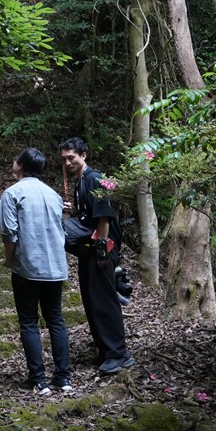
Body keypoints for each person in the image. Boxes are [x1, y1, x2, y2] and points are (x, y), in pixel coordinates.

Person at [59, 136, 135, 375]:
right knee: (92, 300)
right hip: (89, 249)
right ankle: (105, 349)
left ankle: (118, 354)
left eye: (72, 158)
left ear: (84, 155)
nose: (68, 163)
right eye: (64, 159)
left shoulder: (95, 179)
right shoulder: (80, 182)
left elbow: (103, 218)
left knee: (104, 300)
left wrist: (103, 251)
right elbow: (89, 214)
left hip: (101, 248)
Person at [0, 148, 72, 395]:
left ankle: (38, 380)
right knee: (56, 319)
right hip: (55, 266)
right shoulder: (53, 194)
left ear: (20, 165)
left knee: (29, 322)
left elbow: (10, 233)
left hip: (28, 266)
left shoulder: (12, 193)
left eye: (15, 159)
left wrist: (9, 260)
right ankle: (63, 378)